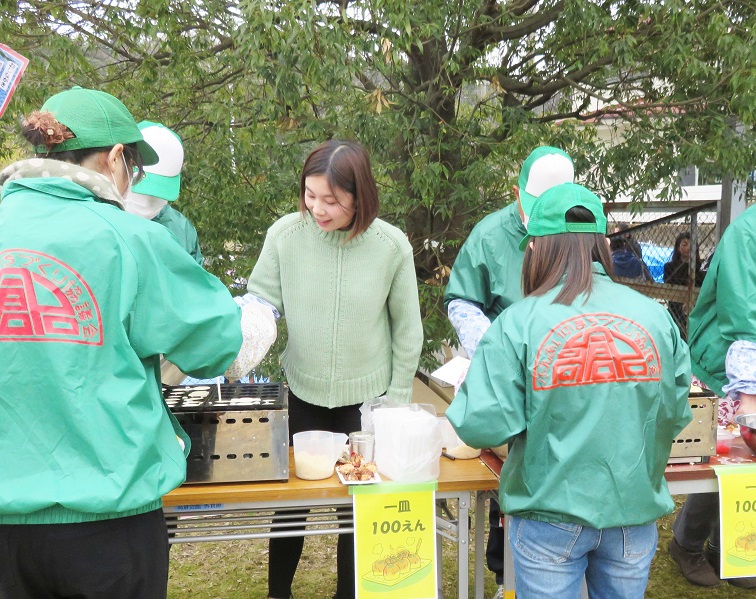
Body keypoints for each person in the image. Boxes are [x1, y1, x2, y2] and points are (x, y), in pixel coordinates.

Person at [0, 86, 243, 598]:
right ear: (115, 159)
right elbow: (219, 343)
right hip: (108, 522)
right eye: (133, 167)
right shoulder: (129, 238)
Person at [446, 183, 692, 599]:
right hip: (633, 509)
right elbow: (677, 408)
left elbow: (478, 425)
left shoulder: (516, 323)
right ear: (601, 244)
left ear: (537, 248)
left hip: (548, 512)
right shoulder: (655, 317)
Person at [238, 140, 423, 599]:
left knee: (359, 511)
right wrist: (238, 346)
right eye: (310, 194)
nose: (317, 208)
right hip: (303, 391)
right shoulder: (284, 235)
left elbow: (408, 331)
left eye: (332, 200)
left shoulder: (391, 246)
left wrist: (394, 402)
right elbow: (258, 304)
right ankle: (277, 593)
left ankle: (351, 594)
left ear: (360, 197)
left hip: (367, 402)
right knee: (291, 507)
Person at [669, 137, 756, 589]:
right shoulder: (748, 232)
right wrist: (750, 400)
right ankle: (685, 545)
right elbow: (744, 320)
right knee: (722, 461)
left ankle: (730, 550)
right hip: (731, 371)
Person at [443, 145, 574, 592]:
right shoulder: (489, 234)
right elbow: (461, 299)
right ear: (518, 192)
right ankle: (506, 574)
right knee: (509, 468)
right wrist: (492, 345)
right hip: (509, 368)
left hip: (567, 372)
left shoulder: (580, 226)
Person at [127, 121, 203, 265]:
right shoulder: (96, 216)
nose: (148, 200)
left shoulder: (182, 230)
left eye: (157, 193)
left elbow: (195, 283)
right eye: (142, 191)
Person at [663, 231, 704, 339]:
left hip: (695, 307)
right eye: (685, 244)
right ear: (678, 248)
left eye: (692, 244)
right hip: (675, 308)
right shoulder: (669, 267)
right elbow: (668, 288)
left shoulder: (701, 267)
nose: (688, 248)